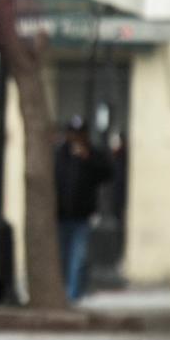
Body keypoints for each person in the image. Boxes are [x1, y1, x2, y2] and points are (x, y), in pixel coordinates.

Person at [53, 116, 113, 303]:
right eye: (73, 133)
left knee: (79, 256)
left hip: (82, 216)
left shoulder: (92, 154)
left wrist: (87, 159)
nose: (76, 138)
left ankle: (73, 295)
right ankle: (63, 291)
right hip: (61, 215)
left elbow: (107, 173)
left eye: (80, 134)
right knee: (62, 256)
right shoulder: (60, 153)